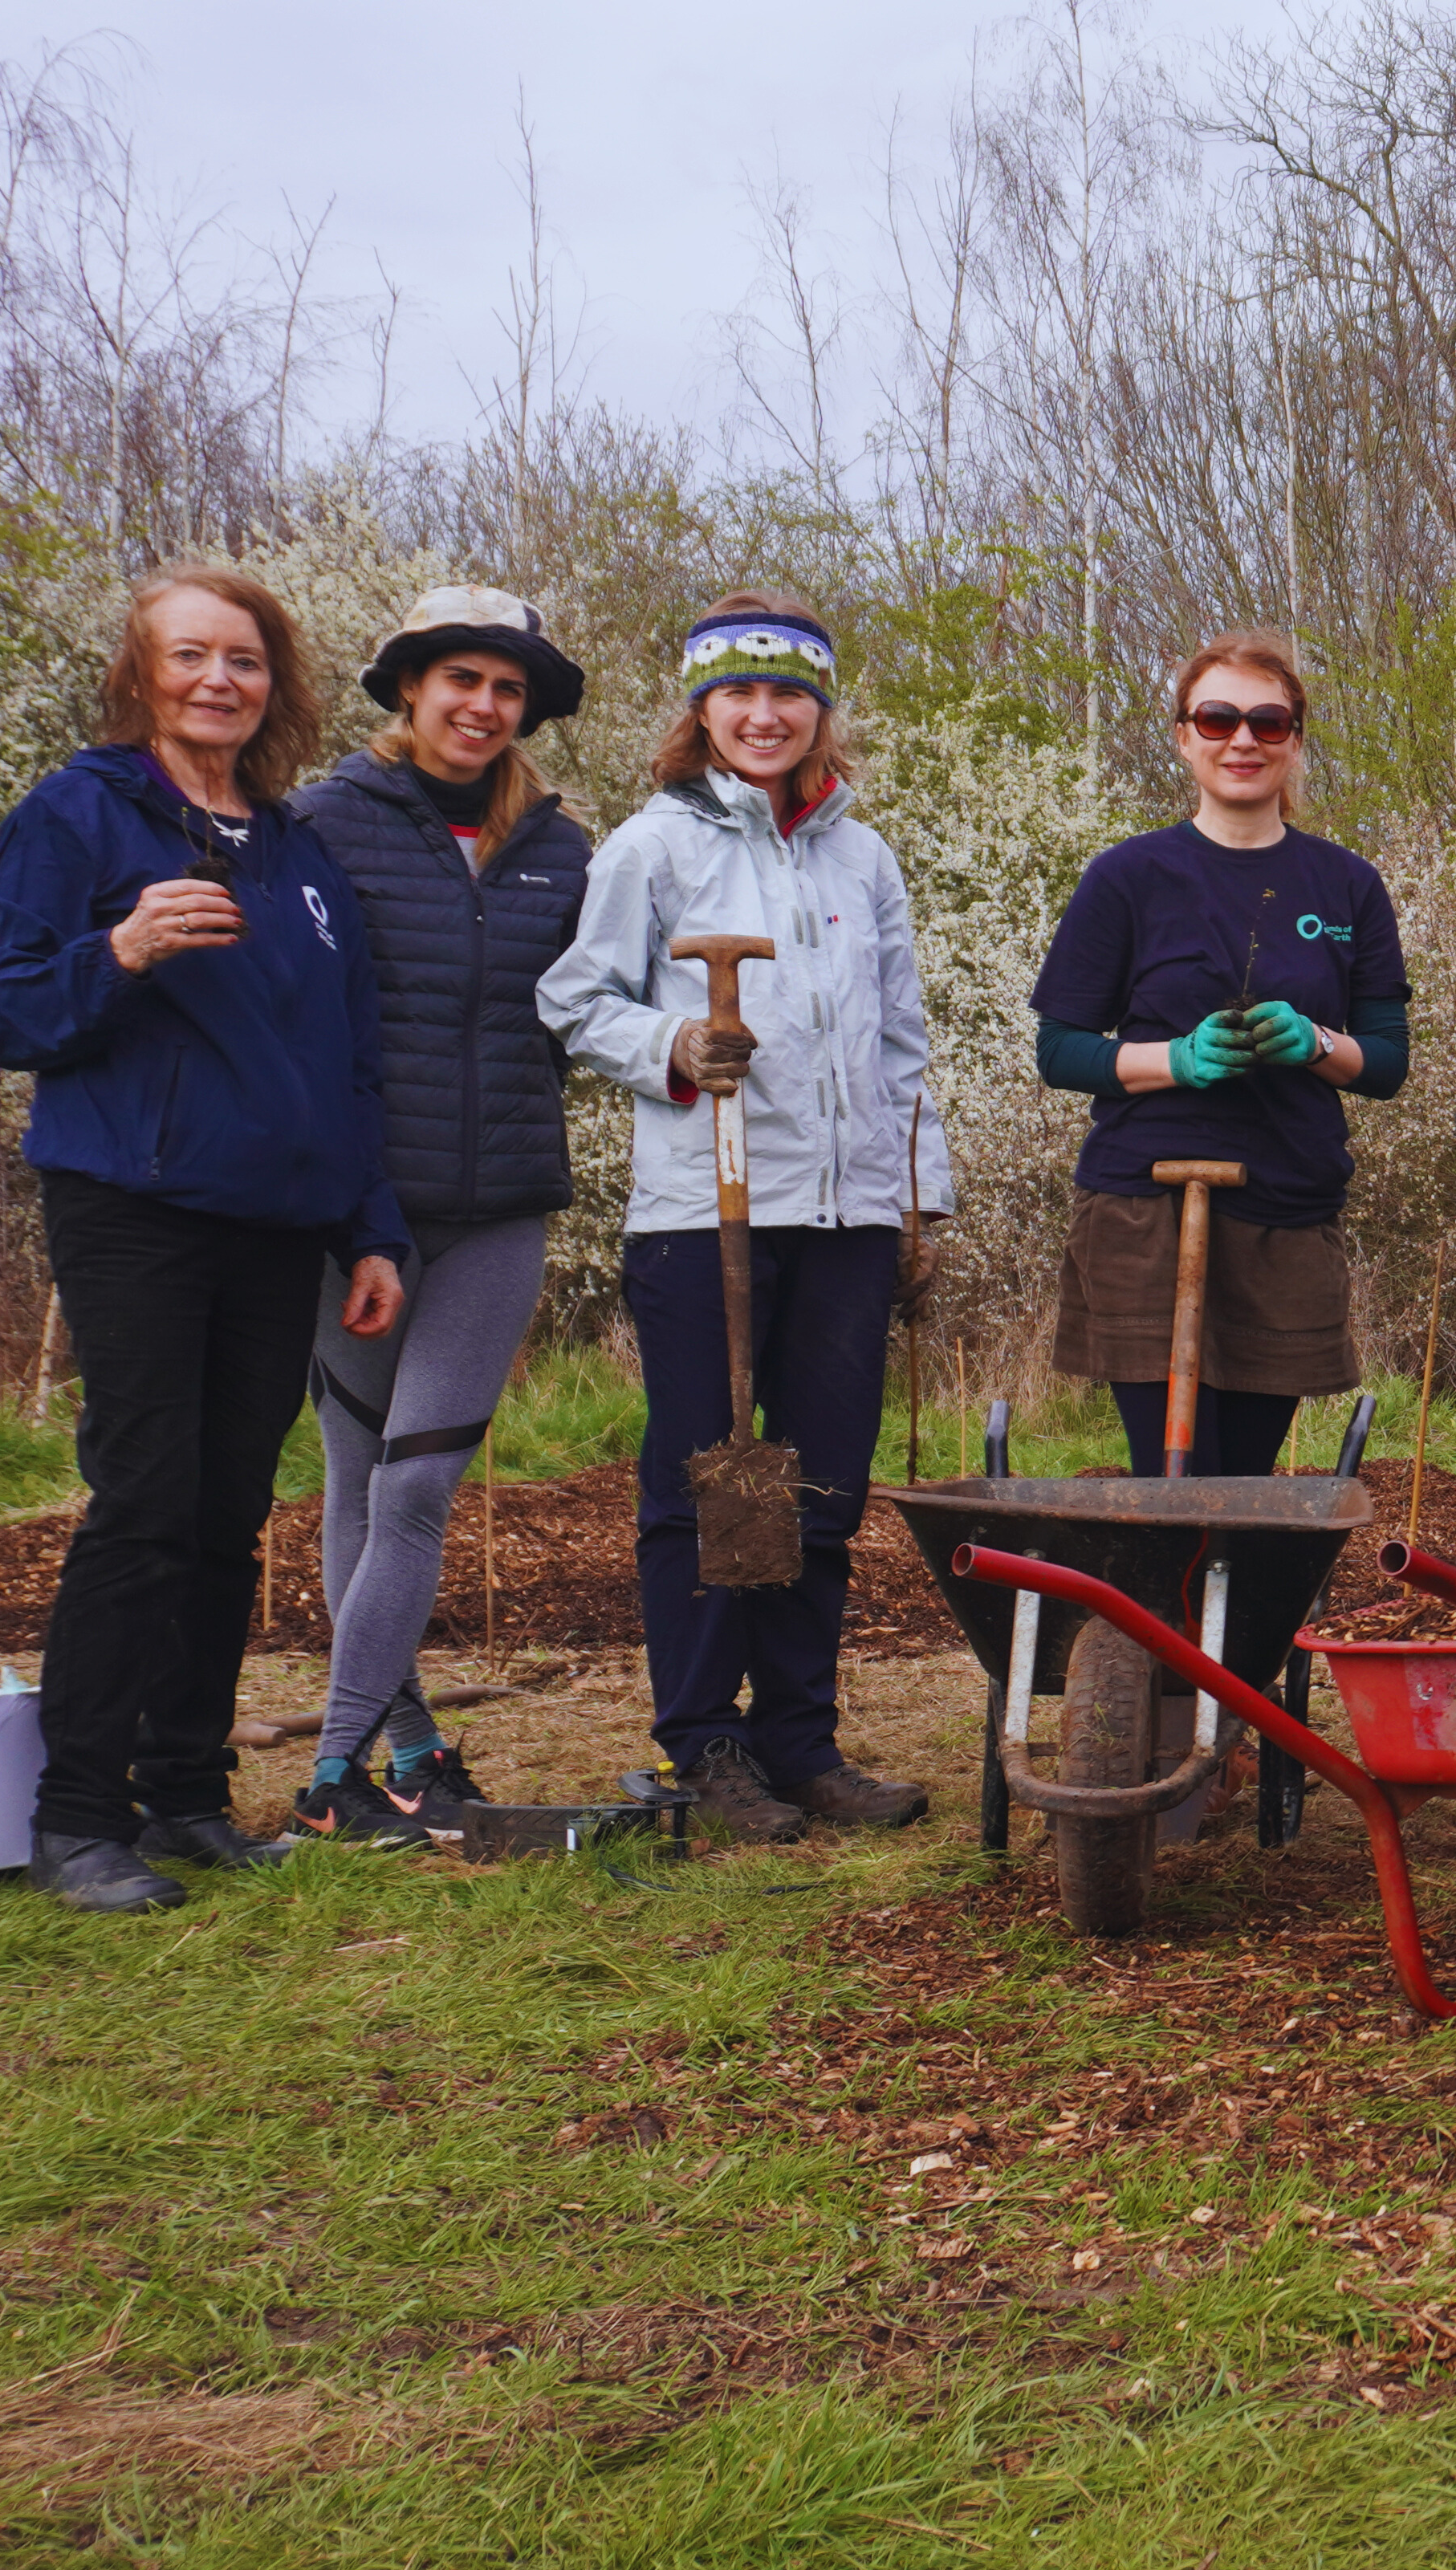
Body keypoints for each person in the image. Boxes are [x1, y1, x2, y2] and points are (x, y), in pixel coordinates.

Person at [0, 569, 409, 1913]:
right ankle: (77, 1818)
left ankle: (186, 1798)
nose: (221, 680)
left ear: (275, 682)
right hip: (137, 1205)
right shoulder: (78, 813)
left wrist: (369, 1228)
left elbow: (346, 1057)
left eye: (246, 659)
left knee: (228, 1514)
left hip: (277, 1224)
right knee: (147, 1502)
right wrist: (124, 948)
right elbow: (6, 1017)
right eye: (191, 656)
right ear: (140, 672)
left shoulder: (294, 849)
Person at [537, 596, 951, 1847]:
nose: (765, 716)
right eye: (738, 695)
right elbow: (574, 999)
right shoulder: (651, 849)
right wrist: (670, 1039)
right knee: (716, 1480)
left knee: (821, 1479)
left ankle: (800, 1739)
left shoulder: (861, 858)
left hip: (848, 1213)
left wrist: (918, 1197)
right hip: (701, 1208)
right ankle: (707, 1743)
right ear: (701, 710)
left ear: (822, 711)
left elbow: (899, 1042)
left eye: (790, 695)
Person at [282, 587, 596, 1848]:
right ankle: (389, 1760)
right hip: (362, 1216)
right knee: (359, 1482)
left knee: (418, 1489)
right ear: (409, 690)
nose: (482, 705)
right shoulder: (321, 827)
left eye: (506, 688)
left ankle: (338, 1768)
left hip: (502, 1207)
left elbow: (593, 1008)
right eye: (459, 679)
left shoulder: (566, 848)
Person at [1031, 631, 1409, 1476]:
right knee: (1171, 1476)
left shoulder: (1348, 886)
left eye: (1269, 722)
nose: (1243, 740)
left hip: (1286, 1209)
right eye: (1218, 717)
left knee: (1243, 1480)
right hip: (1142, 1214)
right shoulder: (1126, 877)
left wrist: (1315, 1042)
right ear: (1183, 734)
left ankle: (1232, 1613)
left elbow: (1385, 1063)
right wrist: (1176, 1060)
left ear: (1296, 739)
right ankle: (1164, 1610)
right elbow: (1059, 1050)